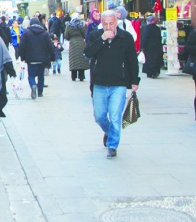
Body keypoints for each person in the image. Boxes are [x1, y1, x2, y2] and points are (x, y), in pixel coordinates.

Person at [84, 10, 140, 159]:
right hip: (99, 83)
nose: (109, 27)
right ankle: (109, 132)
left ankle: (112, 145)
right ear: (101, 24)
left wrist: (135, 80)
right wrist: (102, 39)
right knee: (99, 116)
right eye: (105, 24)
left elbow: (132, 60)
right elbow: (88, 53)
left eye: (111, 23)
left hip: (118, 83)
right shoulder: (96, 35)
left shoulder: (125, 37)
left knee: (115, 116)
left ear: (117, 22)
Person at [18, 18, 55, 99]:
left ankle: (33, 85)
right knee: (41, 75)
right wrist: (53, 57)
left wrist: (22, 57)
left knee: (31, 75)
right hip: (42, 59)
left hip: (31, 59)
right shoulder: (44, 33)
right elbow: (50, 46)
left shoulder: (26, 32)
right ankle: (40, 92)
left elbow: (22, 46)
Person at [65, 12, 88, 81]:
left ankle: (73, 76)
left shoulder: (69, 25)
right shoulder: (82, 25)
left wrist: (70, 38)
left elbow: (66, 36)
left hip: (73, 43)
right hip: (81, 43)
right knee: (81, 60)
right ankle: (81, 76)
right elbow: (85, 34)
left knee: (73, 60)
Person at [140, 15, 164, 79]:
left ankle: (150, 73)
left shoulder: (147, 28)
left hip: (149, 47)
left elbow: (145, 38)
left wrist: (142, 46)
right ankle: (155, 72)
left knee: (149, 60)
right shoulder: (157, 28)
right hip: (156, 47)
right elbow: (159, 38)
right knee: (156, 59)